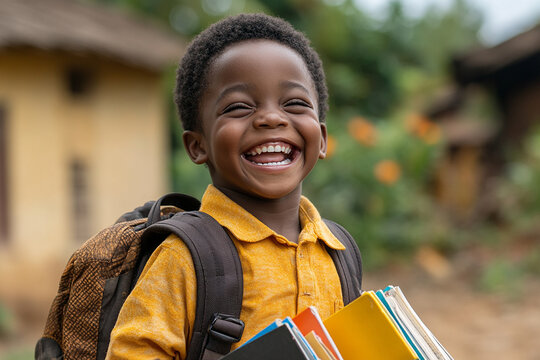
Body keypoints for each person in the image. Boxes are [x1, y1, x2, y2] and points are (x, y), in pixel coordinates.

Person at [106, 13, 358, 359]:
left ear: (323, 138)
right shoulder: (185, 258)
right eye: (239, 107)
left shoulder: (338, 252)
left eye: (294, 103)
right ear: (198, 146)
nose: (271, 117)